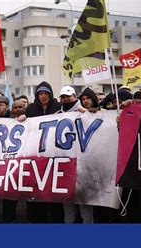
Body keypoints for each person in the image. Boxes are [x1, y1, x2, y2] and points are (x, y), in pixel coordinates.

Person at [22, 81, 63, 223]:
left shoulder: (59, 107)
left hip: (55, 155)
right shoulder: (31, 109)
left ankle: (56, 220)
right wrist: (21, 119)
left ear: (51, 95)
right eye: (41, 93)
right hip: (36, 156)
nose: (44, 96)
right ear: (37, 95)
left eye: (46, 93)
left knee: (54, 189)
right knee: (36, 189)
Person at [56, 86, 93, 224]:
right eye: (63, 97)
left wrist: (87, 114)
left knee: (84, 203)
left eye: (68, 96)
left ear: (74, 96)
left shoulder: (85, 111)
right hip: (64, 163)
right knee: (67, 204)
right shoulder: (58, 113)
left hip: (82, 163)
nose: (66, 99)